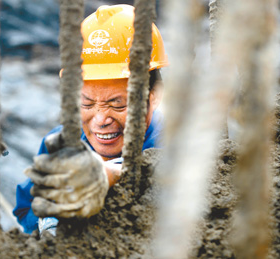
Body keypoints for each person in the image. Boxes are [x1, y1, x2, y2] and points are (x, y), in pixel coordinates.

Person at [13, 4, 169, 235]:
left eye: (118, 104)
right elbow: (26, 211)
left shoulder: (174, 144)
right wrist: (51, 213)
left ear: (153, 97)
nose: (100, 120)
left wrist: (112, 177)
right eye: (86, 103)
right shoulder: (60, 144)